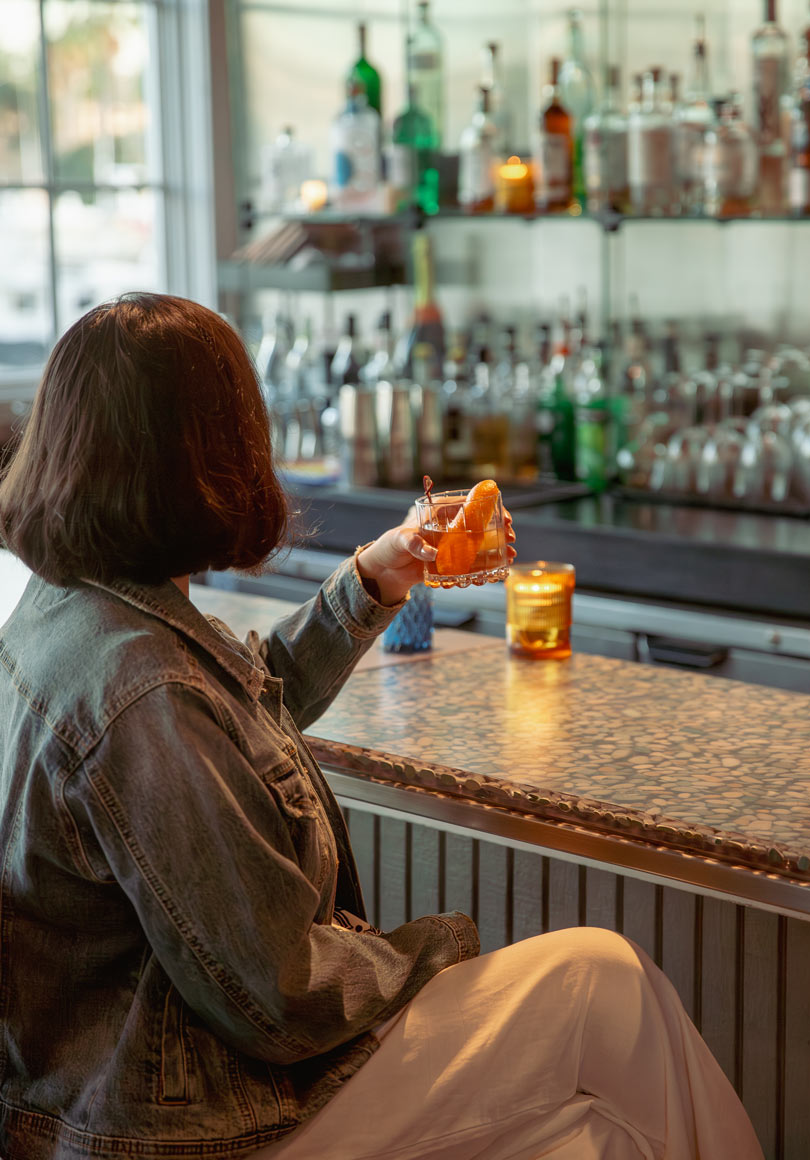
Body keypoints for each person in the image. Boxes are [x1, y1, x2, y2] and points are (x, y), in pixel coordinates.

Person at [0, 292, 763, 1160]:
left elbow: (231, 706)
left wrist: (372, 579)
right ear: (211, 457)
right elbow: (277, 995)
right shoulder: (143, 693)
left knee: (590, 1137)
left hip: (97, 1102)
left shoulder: (69, 613)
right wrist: (428, 956)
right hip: (189, 1125)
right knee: (604, 982)